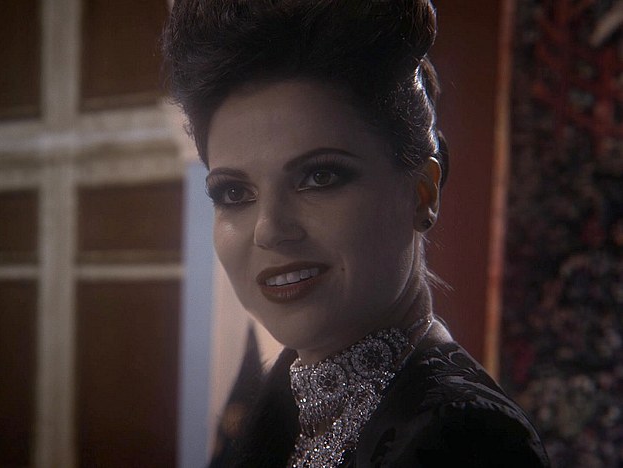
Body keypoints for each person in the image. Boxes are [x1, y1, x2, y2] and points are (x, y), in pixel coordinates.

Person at [163, 0, 550, 466]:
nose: (269, 230)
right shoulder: (274, 409)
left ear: (422, 193)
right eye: (234, 193)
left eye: (320, 177)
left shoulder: (471, 439)